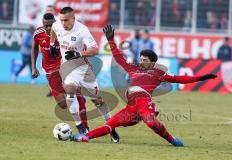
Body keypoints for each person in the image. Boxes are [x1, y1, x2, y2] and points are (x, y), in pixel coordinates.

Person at [69, 25, 217, 147]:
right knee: (110, 124)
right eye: (140, 59)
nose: (141, 62)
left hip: (144, 103)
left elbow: (180, 78)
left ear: (152, 62)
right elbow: (120, 59)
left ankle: (172, 140)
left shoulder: (159, 73)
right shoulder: (133, 69)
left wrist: (202, 77)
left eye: (145, 60)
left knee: (152, 124)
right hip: (131, 108)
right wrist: (111, 40)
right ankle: (85, 137)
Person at [49, 7, 119, 142]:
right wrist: (52, 44)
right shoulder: (57, 25)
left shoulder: (82, 30)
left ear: (73, 19)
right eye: (62, 20)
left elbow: (94, 49)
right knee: (69, 90)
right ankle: (80, 127)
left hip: (83, 69)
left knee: (97, 100)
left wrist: (78, 54)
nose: (63, 23)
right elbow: (53, 29)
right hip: (67, 67)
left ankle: (111, 127)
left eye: (66, 20)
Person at [32, 13, 89, 132]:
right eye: (45, 25)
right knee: (63, 104)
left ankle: (84, 128)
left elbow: (78, 45)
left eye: (50, 25)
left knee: (76, 96)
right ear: (43, 24)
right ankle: (79, 101)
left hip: (65, 67)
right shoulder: (38, 33)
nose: (48, 28)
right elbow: (34, 48)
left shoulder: (63, 32)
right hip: (50, 71)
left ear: (55, 23)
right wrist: (34, 67)